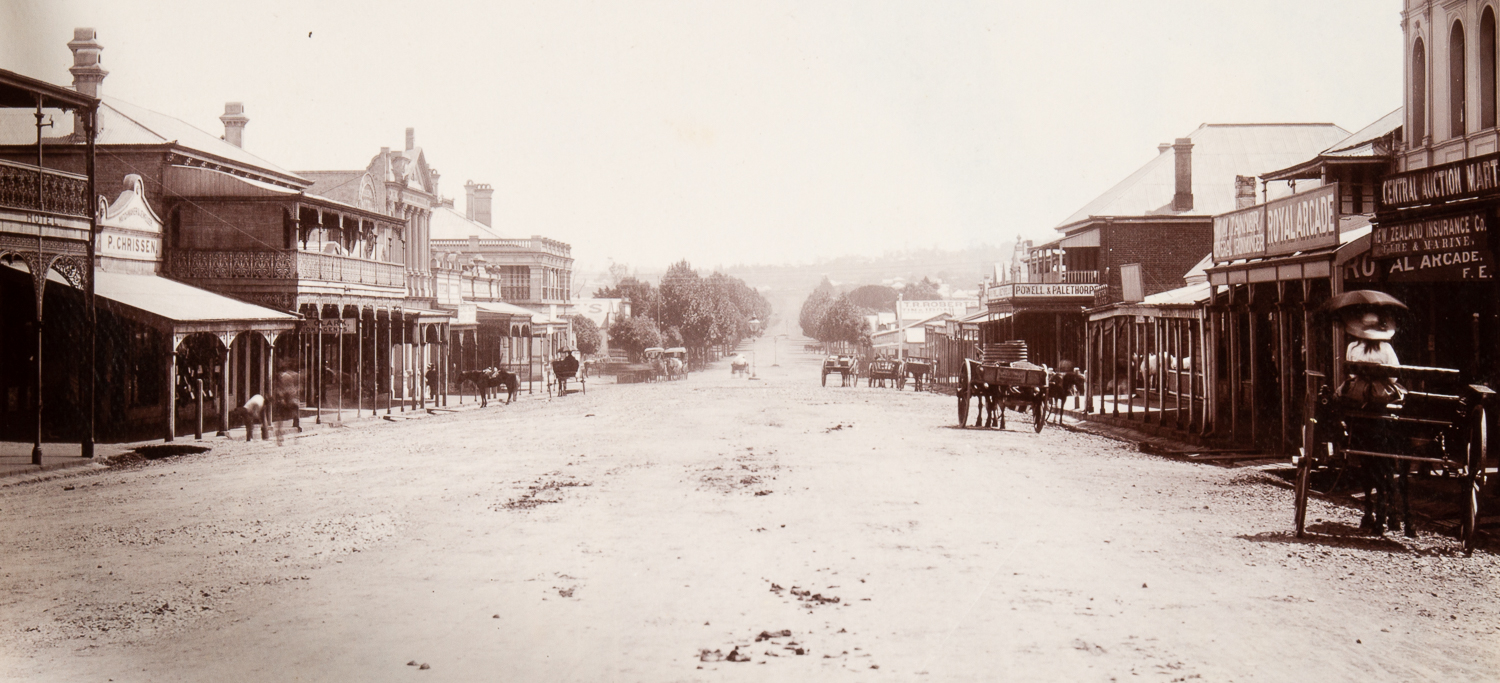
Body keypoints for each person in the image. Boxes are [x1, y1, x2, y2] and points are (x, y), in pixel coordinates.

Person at [1339, 307, 1404, 405]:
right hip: (1381, 395)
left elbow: (1352, 374)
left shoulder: (1352, 347)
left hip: (1357, 394)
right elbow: (1393, 378)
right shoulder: (1386, 348)